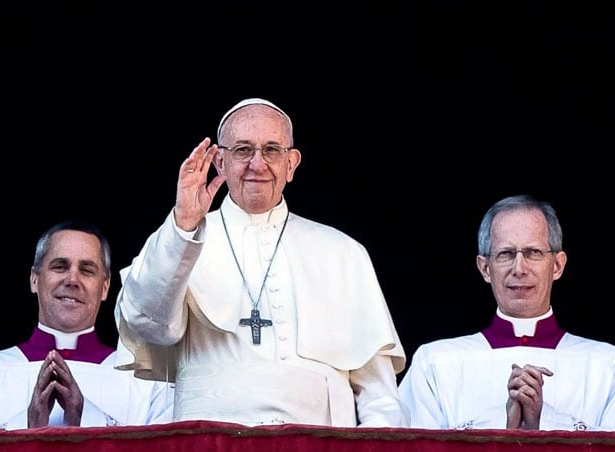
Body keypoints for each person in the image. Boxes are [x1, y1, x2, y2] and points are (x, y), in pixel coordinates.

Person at [112, 97, 408, 427]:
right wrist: (183, 223)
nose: (258, 164)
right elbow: (149, 325)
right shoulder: (179, 240)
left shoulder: (342, 252)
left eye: (271, 150)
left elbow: (380, 397)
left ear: (291, 164)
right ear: (220, 163)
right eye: (242, 150)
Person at [398, 194, 615, 431]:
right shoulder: (435, 363)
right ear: (485, 268)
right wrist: (504, 422)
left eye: (533, 253)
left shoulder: (610, 365)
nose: (519, 268)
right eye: (506, 254)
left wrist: (542, 422)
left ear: (557, 266)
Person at [0, 220, 174, 429]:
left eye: (87, 270)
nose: (72, 279)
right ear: (34, 279)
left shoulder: (146, 381)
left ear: (106, 287)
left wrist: (85, 418)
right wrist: (27, 426)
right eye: (60, 266)